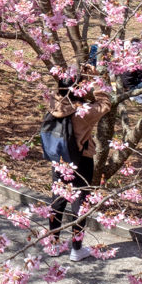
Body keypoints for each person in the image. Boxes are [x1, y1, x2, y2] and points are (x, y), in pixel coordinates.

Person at [46, 73, 111, 262]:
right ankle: (76, 248)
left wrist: (69, 77)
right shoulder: (84, 112)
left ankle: (53, 244)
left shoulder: (54, 104)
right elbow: (105, 103)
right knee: (80, 202)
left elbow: (56, 90)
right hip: (81, 159)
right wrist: (97, 81)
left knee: (57, 200)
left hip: (58, 157)